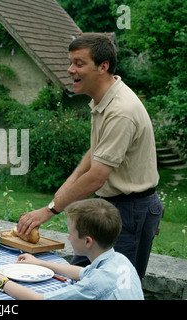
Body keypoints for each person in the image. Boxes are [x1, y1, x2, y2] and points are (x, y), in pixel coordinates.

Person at [17, 33, 163, 278]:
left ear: (103, 67)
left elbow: (96, 176)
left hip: (131, 210)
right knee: (81, 279)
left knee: (113, 286)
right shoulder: (103, 100)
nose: (70, 69)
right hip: (106, 205)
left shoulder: (120, 110)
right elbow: (95, 153)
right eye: (71, 62)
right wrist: (62, 193)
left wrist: (49, 210)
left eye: (79, 63)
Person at [0, 198, 144, 300]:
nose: (68, 237)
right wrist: (39, 263)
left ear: (88, 241)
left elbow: (38, 299)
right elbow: (81, 272)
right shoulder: (120, 261)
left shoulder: (96, 284)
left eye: (71, 233)